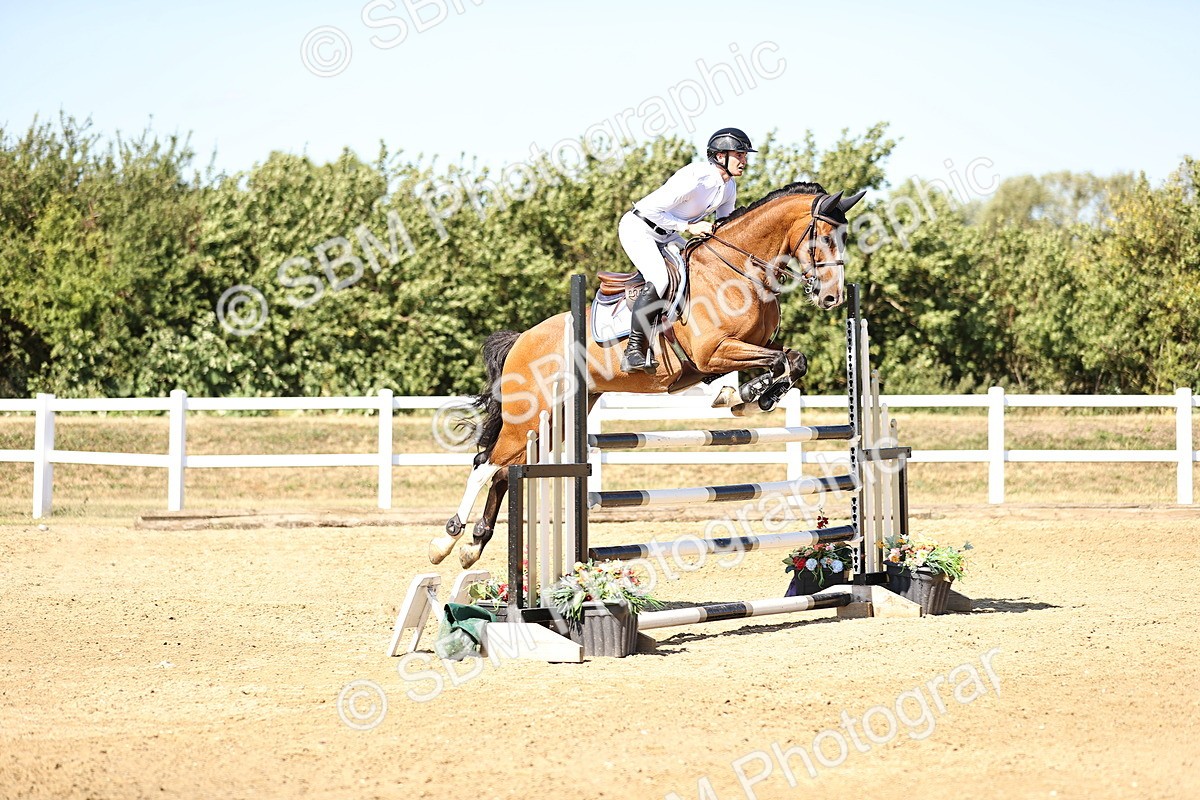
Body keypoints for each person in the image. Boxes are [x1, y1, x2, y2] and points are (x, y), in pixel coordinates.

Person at [618, 127, 756, 373]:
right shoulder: (695, 177)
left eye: (744, 155)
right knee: (659, 279)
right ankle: (633, 351)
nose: (745, 160)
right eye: (740, 154)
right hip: (639, 228)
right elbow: (650, 211)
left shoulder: (729, 187)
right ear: (720, 155)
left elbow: (722, 226)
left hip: (669, 233)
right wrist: (688, 227)